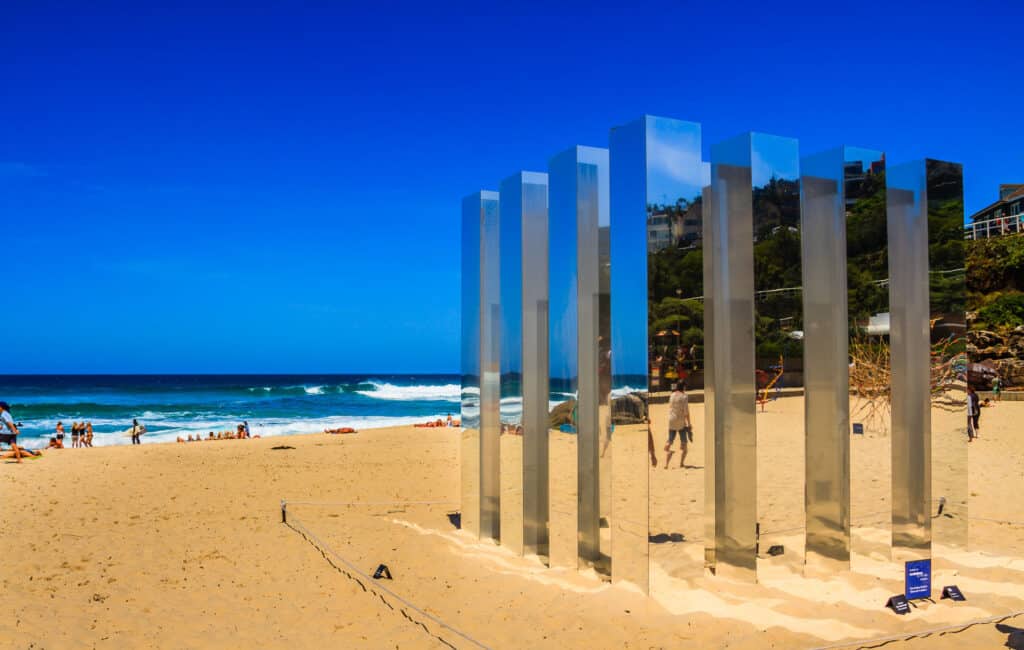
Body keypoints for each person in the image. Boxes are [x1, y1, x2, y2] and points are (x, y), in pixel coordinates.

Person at [664, 383, 691, 469]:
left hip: (671, 420)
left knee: (669, 441)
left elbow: (670, 407)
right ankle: (681, 463)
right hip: (680, 422)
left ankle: (667, 462)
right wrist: (689, 423)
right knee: (684, 444)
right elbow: (686, 411)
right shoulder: (684, 396)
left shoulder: (671, 395)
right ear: (683, 387)